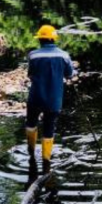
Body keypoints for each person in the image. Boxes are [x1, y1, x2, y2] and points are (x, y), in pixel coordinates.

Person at [26, 25, 75, 173]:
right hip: (54, 99)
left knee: (31, 123)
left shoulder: (33, 55)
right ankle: (46, 161)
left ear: (40, 39)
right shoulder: (64, 55)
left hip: (35, 96)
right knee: (49, 128)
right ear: (54, 39)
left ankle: (31, 154)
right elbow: (69, 74)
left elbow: (30, 74)